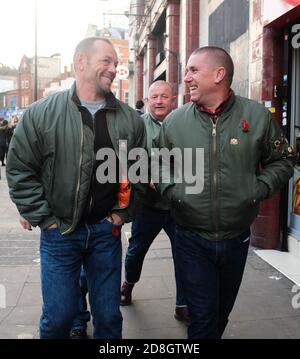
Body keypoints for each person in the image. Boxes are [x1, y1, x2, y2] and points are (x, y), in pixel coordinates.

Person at [6, 37, 147, 339]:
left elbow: (137, 171)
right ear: (80, 62)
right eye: (106, 61)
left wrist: (123, 214)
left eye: (116, 63)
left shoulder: (129, 120)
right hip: (59, 235)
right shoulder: (40, 113)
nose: (114, 68)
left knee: (109, 319)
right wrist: (45, 218)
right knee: (59, 318)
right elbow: (20, 169)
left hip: (105, 234)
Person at [156, 46, 295, 339]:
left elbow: (282, 160)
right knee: (203, 319)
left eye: (194, 70)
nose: (187, 78)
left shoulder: (256, 116)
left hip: (236, 238)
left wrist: (257, 188)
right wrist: (174, 189)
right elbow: (157, 163)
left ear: (219, 75)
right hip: (190, 237)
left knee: (220, 316)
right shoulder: (174, 122)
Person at [120, 80, 189, 325]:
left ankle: (183, 305)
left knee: (184, 256)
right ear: (147, 101)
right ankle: (128, 284)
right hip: (147, 205)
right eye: (154, 97)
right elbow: (126, 159)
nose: (159, 101)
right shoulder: (138, 127)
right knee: (136, 251)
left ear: (173, 99)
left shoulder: (185, 124)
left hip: (178, 206)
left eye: (164, 96)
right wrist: (144, 176)